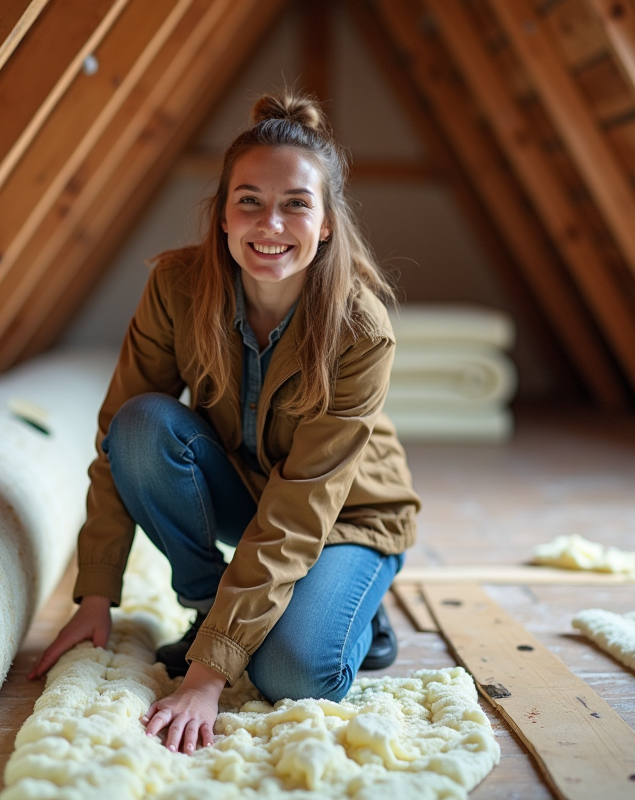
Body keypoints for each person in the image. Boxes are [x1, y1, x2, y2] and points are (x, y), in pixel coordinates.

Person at [29, 90, 420, 756]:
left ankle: (355, 609)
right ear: (222, 215)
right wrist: (95, 596)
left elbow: (300, 512)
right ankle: (216, 608)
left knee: (294, 675)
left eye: (296, 203)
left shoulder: (360, 327)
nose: (271, 224)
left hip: (345, 517)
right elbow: (117, 443)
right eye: (250, 201)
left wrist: (207, 677)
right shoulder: (175, 287)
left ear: (326, 222)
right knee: (141, 426)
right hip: (245, 489)